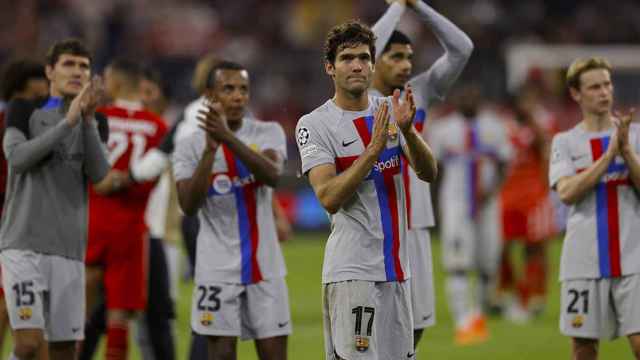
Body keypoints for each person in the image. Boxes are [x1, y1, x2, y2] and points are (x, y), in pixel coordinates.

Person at [296, 21, 437, 359]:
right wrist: (371, 152)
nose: (356, 65)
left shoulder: (391, 112)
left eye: (363, 57)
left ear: (374, 65)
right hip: (352, 272)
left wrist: (409, 132)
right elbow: (328, 197)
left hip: (397, 270)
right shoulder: (314, 124)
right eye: (346, 58)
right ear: (330, 67)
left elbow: (429, 172)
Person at [370, 0, 473, 350]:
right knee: (371, 328)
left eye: (408, 57)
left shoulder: (419, 92)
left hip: (414, 222)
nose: (405, 65)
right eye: (394, 56)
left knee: (417, 322)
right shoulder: (359, 98)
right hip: (372, 226)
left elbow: (462, 49)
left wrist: (417, 5)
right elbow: (366, 45)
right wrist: (397, 8)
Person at [173, 60, 291, 360]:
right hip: (215, 271)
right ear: (211, 95)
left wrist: (227, 138)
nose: (238, 96)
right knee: (221, 355)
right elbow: (188, 205)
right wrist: (210, 152)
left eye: (243, 89)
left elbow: (272, 175)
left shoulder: (267, 132)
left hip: (265, 268)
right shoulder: (188, 145)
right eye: (228, 89)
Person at [0, 38, 109, 360]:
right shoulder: (24, 109)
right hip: (23, 246)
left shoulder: (98, 121)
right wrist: (69, 122)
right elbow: (17, 159)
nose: (77, 71)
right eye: (68, 64)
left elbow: (100, 173)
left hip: (70, 251)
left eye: (83, 66)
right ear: (50, 71)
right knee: (29, 345)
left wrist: (87, 120)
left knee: (63, 351)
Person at [549, 57, 640, 359]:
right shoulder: (565, 142)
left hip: (634, 258)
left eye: (607, 84)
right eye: (594, 87)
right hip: (583, 261)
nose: (604, 92)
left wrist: (626, 151)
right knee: (584, 349)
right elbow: (567, 192)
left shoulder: (636, 136)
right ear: (576, 94)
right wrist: (608, 156)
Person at [84, 58, 168, 360]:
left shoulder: (98, 116)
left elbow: (84, 170)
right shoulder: (158, 126)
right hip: (132, 227)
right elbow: (152, 178)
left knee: (80, 308)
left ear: (116, 83)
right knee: (119, 314)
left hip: (93, 220)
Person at [428, 84, 511, 345]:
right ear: (456, 99)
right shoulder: (442, 129)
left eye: (473, 94)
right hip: (456, 204)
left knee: (489, 262)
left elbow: (504, 162)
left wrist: (493, 189)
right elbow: (433, 169)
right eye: (464, 94)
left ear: (480, 98)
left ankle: (482, 310)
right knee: (458, 264)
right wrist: (436, 207)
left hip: (488, 204)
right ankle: (463, 317)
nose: (468, 98)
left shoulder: (494, 126)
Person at [0, 58, 49, 359]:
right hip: (10, 230)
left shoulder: (43, 126)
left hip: (37, 233)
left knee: (36, 322)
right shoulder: (8, 126)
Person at [498, 86, 558, 322]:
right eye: (524, 99)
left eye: (531, 100)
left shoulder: (545, 122)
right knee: (503, 247)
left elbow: (548, 149)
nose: (526, 104)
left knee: (535, 248)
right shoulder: (506, 125)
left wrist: (534, 121)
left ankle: (534, 296)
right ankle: (507, 293)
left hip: (534, 195)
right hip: (508, 195)